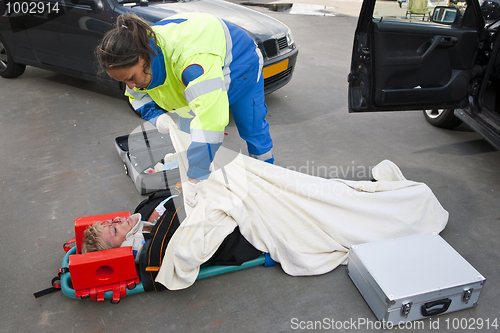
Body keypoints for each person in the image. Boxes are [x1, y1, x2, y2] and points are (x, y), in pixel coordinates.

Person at [96, 12, 274, 207]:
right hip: (199, 69)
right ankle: (197, 174)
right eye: (123, 81)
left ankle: (266, 179)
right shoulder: (139, 51)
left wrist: (196, 178)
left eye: (131, 78)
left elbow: (210, 122)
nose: (130, 86)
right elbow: (137, 96)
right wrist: (157, 116)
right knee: (189, 137)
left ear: (142, 58)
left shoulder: (192, 64)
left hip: (241, 65)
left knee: (251, 127)